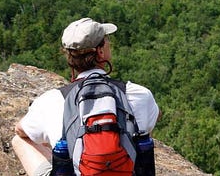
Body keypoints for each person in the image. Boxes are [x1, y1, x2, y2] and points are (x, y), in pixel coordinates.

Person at [12, 17, 161, 176]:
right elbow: (153, 118)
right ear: (101, 51)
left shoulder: (51, 101)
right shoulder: (138, 94)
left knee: (19, 141)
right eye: (106, 39)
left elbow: (21, 131)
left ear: (69, 57)